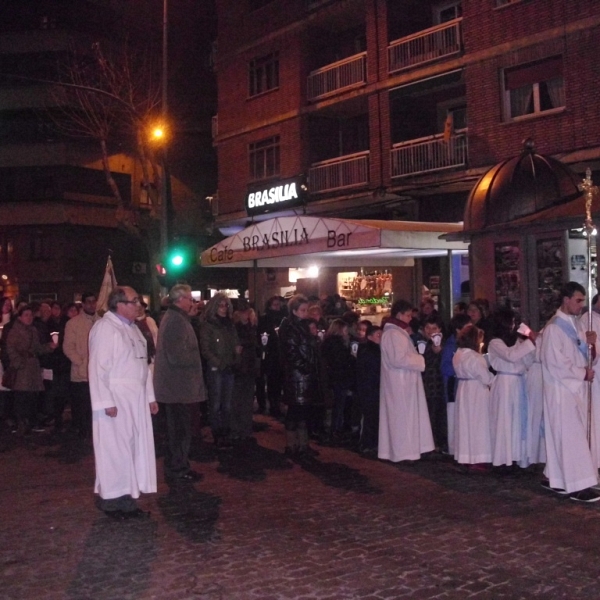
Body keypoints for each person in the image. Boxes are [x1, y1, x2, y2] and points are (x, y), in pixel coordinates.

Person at [88, 286, 158, 519]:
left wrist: (149, 397)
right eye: (134, 300)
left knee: (133, 447)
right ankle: (112, 499)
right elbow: (98, 367)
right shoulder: (106, 329)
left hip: (135, 399)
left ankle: (128, 494)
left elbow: (143, 367)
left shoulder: (134, 329)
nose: (138, 304)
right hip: (116, 399)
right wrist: (105, 401)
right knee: (115, 449)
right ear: (119, 304)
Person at [540, 281, 599, 502]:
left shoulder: (577, 324)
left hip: (574, 389)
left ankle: (557, 478)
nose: (581, 306)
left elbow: (586, 354)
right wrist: (582, 373)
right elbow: (556, 363)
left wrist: (592, 345)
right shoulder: (554, 328)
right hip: (561, 390)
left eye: (583, 301)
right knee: (570, 438)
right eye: (578, 301)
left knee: (573, 436)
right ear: (566, 300)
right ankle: (577, 485)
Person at [153, 285, 205, 483]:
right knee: (180, 431)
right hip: (177, 389)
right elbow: (176, 356)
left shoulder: (177, 318)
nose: (192, 302)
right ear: (180, 299)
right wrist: (195, 357)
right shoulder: (175, 321)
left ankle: (179, 465)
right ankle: (178, 468)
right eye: (189, 298)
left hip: (177, 388)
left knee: (180, 429)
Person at [379, 299, 434, 462]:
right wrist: (419, 359)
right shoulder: (393, 333)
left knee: (406, 417)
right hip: (400, 383)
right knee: (402, 418)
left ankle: (409, 450)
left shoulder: (397, 332)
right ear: (399, 314)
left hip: (404, 380)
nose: (410, 318)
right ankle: (404, 453)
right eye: (408, 315)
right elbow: (398, 359)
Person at [487, 308, 537, 468]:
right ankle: (503, 460)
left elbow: (528, 362)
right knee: (505, 422)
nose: (514, 325)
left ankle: (517, 457)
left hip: (518, 384)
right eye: (512, 322)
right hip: (504, 385)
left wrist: (527, 345)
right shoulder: (495, 343)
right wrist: (529, 341)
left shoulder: (517, 342)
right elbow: (510, 356)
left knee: (518, 421)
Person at [278, 294, 320, 457]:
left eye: (306, 310)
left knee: (302, 411)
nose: (305, 313)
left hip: (302, 375)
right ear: (294, 311)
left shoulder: (301, 326)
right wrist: (306, 367)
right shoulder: (290, 328)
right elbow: (292, 353)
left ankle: (302, 444)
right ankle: (292, 445)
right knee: (295, 411)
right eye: (302, 310)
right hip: (297, 376)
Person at [6, 304, 56, 435]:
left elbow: (37, 348)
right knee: (22, 396)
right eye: (26, 315)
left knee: (33, 396)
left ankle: (31, 422)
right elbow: (10, 349)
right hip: (22, 368)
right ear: (20, 317)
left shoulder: (33, 330)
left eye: (30, 315)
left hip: (32, 367)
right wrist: (19, 363)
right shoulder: (15, 331)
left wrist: (49, 347)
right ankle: (22, 423)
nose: (29, 318)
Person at [200, 293, 241, 449]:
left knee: (227, 404)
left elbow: (235, 343)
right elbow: (206, 349)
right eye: (221, 305)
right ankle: (218, 434)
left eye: (226, 305)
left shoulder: (229, 324)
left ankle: (225, 432)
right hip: (216, 368)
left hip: (228, 367)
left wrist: (236, 356)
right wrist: (218, 362)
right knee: (216, 403)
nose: (224, 308)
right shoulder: (208, 325)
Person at [453, 324, 494, 469]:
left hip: (464, 389)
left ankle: (466, 455)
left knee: (465, 423)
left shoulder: (459, 354)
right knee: (478, 423)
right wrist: (495, 380)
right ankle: (478, 457)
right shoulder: (475, 357)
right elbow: (484, 376)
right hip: (476, 391)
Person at [63, 292, 99, 439]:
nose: (91, 304)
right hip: (81, 374)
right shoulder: (73, 323)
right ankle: (81, 431)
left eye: (93, 301)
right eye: (88, 302)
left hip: (98, 373)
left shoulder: (101, 321)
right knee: (81, 405)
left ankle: (94, 431)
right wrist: (81, 362)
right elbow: (68, 347)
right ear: (83, 304)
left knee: (95, 406)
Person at [321, 318, 355, 444]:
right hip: (339, 378)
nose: (347, 333)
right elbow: (341, 362)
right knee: (339, 406)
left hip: (334, 378)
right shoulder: (338, 345)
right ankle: (336, 431)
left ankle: (334, 430)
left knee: (337, 405)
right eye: (345, 331)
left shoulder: (328, 343)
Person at [441, 313, 471, 455]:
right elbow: (445, 367)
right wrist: (461, 368)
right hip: (453, 386)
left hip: (460, 385)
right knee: (453, 416)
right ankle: (453, 449)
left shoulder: (464, 343)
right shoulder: (451, 345)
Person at [231, 302, 259, 443]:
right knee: (237, 401)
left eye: (246, 311)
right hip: (239, 368)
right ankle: (237, 430)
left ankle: (245, 430)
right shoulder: (235, 328)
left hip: (248, 367)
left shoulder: (251, 327)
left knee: (246, 401)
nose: (244, 314)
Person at [421, 315, 448, 453]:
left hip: (439, 386)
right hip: (426, 385)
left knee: (438, 415)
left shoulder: (443, 345)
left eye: (434, 328)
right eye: (428, 328)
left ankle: (439, 443)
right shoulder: (422, 343)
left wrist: (440, 352)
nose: (430, 331)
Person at [257, 296, 286, 416]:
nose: (277, 307)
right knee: (270, 381)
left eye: (278, 305)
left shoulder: (283, 318)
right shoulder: (265, 319)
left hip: (280, 353)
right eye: (275, 305)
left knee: (278, 382)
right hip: (269, 354)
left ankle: (276, 405)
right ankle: (270, 405)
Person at [356, 324, 382, 456]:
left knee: (371, 417)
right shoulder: (371, 351)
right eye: (378, 335)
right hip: (371, 389)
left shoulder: (369, 350)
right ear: (370, 337)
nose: (381, 338)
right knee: (371, 417)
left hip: (370, 388)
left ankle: (369, 443)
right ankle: (368, 444)